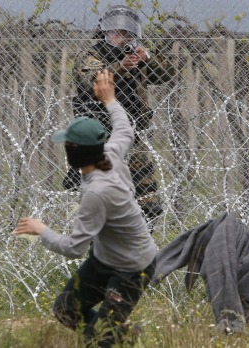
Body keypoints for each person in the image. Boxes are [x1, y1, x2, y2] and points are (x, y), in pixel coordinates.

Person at [13, 69, 157, 348]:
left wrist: (40, 229)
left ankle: (109, 339)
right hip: (104, 259)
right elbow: (125, 129)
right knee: (66, 310)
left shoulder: (98, 193)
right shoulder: (110, 152)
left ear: (75, 151)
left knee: (98, 340)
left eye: (67, 144)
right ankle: (125, 338)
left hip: (131, 269)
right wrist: (110, 99)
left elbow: (74, 247)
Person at [64, 4, 175, 223]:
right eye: (116, 32)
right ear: (106, 32)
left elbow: (167, 74)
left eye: (126, 33)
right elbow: (92, 82)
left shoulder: (136, 58)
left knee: (148, 199)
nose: (121, 37)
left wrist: (148, 58)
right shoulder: (91, 55)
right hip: (100, 134)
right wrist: (121, 68)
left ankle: (143, 239)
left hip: (132, 132)